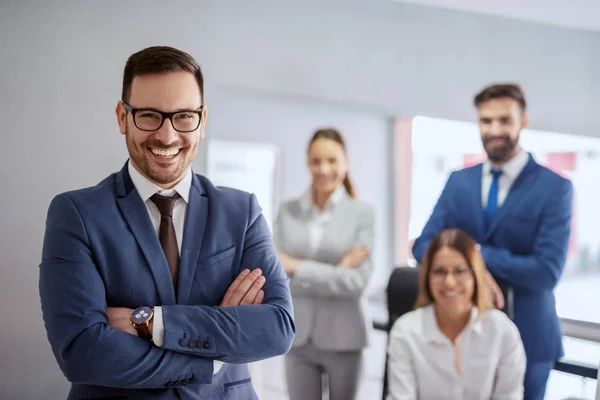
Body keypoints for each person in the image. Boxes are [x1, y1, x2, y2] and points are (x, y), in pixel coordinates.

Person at [38, 46, 295, 400]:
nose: (168, 135)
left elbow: (277, 328)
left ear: (202, 120)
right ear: (122, 117)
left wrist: (148, 321)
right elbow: (82, 352)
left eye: (184, 117)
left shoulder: (242, 212)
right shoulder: (76, 214)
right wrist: (213, 359)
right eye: (149, 115)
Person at [412, 83, 573, 400]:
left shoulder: (556, 188)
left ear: (522, 121)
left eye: (504, 120)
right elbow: (423, 245)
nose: (494, 129)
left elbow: (546, 271)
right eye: (486, 121)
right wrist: (477, 271)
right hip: (464, 335)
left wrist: (476, 256)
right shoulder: (459, 181)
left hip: (530, 337)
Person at [273, 128, 375, 400]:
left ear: (346, 162)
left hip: (345, 336)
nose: (323, 169)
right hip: (297, 335)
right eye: (316, 161)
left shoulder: (362, 214)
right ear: (307, 163)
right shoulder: (288, 211)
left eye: (332, 160)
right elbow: (275, 275)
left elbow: (357, 283)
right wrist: (337, 270)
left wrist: (297, 266)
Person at [388, 229, 526, 400]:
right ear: (427, 277)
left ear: (475, 275)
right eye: (439, 271)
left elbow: (509, 396)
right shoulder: (405, 332)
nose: (449, 282)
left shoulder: (503, 332)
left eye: (460, 271)